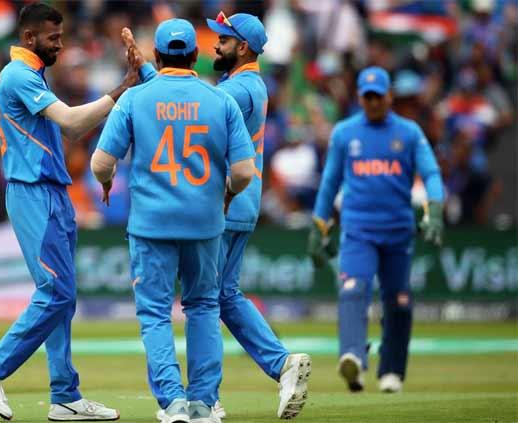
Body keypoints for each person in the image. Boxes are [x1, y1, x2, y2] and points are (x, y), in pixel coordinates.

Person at [0, 3, 139, 421]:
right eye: (53, 38)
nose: (59, 43)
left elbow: (74, 127)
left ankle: (65, 397)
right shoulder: (18, 75)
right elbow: (72, 121)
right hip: (33, 193)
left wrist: (124, 88)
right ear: (29, 38)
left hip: (51, 192)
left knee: (63, 297)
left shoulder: (33, 73)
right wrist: (123, 88)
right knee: (56, 293)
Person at [130, 12, 311, 419]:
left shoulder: (240, 90)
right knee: (220, 296)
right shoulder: (245, 86)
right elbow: (185, 99)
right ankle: (224, 388)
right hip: (236, 202)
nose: (216, 45)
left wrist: (147, 70)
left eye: (224, 39)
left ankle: (269, 369)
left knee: (210, 299)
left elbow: (186, 106)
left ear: (242, 47)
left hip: (225, 203)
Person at [90, 18, 255, 423]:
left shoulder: (135, 99)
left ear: (159, 56)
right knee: (203, 307)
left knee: (155, 313)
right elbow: (245, 172)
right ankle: (202, 404)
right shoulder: (221, 100)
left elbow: (100, 163)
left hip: (151, 225)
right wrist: (229, 194)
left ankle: (173, 404)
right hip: (204, 223)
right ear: (196, 56)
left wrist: (108, 183)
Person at [307, 66, 445, 393]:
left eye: (378, 97)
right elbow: (329, 184)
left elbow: (432, 173)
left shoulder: (409, 133)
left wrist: (435, 209)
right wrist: (318, 226)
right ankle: (353, 359)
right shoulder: (344, 133)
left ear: (389, 96)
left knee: (398, 301)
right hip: (358, 231)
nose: (373, 103)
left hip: (398, 232)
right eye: (367, 97)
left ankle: (392, 370)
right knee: (353, 289)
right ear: (359, 97)